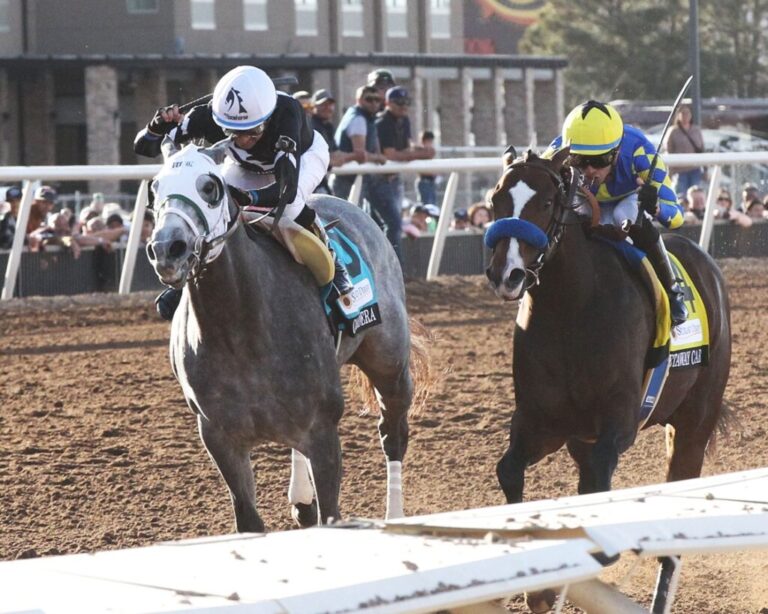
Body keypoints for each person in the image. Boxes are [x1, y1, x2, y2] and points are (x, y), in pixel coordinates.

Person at [133, 65, 355, 319]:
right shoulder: (206, 116)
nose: (242, 140)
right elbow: (144, 147)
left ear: (267, 119)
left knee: (291, 208)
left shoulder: (286, 114)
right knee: (218, 209)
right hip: (245, 166)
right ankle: (189, 277)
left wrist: (250, 198)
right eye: (232, 132)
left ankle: (335, 262)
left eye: (253, 132)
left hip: (304, 158)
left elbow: (286, 190)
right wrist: (157, 125)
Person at [546, 100, 688, 327]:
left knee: (625, 217)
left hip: (628, 198)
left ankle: (672, 291)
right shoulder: (555, 153)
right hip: (583, 200)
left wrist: (655, 207)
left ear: (617, 152)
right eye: (579, 161)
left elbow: (677, 217)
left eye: (600, 160)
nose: (590, 170)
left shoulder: (641, 151)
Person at [369, 86, 435, 262]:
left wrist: (420, 150)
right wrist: (421, 154)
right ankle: (393, 266)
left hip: (393, 179)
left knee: (386, 224)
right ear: (388, 103)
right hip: (377, 181)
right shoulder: (382, 122)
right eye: (399, 103)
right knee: (392, 224)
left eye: (406, 103)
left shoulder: (404, 120)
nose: (404, 107)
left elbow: (406, 148)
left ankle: (385, 264)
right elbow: (390, 154)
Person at [331, 84, 386, 200]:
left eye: (377, 100)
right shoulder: (358, 119)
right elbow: (360, 154)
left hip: (354, 179)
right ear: (359, 100)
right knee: (344, 217)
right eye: (369, 99)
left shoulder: (367, 118)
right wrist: (378, 158)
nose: (374, 103)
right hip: (346, 180)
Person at [310, 88, 361, 194]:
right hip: (310, 183)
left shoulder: (328, 126)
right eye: (323, 104)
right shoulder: (311, 126)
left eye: (330, 104)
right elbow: (329, 158)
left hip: (321, 181)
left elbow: (336, 154)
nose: (327, 108)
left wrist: (337, 157)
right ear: (314, 106)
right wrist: (355, 155)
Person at [664, 105, 705, 195]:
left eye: (688, 113)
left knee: (696, 194)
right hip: (680, 171)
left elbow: (701, 148)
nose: (686, 115)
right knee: (680, 195)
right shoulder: (673, 131)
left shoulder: (696, 130)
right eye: (683, 113)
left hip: (695, 169)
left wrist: (705, 169)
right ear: (678, 115)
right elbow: (668, 149)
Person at [416, 130, 438, 205]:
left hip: (431, 182)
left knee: (433, 204)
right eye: (428, 141)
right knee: (426, 205)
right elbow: (420, 170)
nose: (430, 144)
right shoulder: (418, 152)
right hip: (424, 181)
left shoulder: (430, 151)